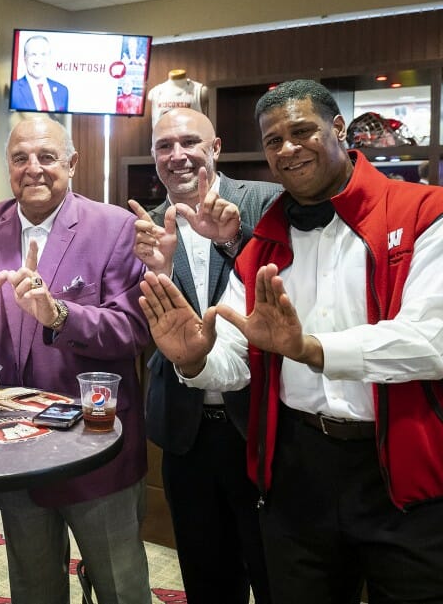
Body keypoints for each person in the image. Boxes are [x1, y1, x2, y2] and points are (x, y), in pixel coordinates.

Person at [139, 79, 443, 603]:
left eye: (301, 131)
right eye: (273, 140)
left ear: (339, 129)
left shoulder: (421, 212)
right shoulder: (266, 239)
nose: (287, 149)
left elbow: (431, 341)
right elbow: (239, 354)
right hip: (293, 464)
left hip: (398, 464)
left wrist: (312, 350)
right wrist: (195, 363)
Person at [0, 117, 151, 604]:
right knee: (33, 589)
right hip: (15, 449)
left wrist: (59, 314)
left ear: (72, 163)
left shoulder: (114, 226)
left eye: (47, 157)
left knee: (122, 588)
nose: (33, 168)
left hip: (96, 447)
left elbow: (133, 331)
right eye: (19, 159)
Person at [128, 108, 279, 604]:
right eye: (164, 147)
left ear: (215, 148)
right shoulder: (145, 228)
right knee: (205, 574)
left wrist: (235, 241)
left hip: (261, 427)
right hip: (185, 431)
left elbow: (285, 289)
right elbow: (151, 323)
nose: (177, 155)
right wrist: (160, 269)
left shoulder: (264, 202)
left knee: (274, 571)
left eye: (190, 142)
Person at [11, 35, 69, 112]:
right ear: (24, 58)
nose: (38, 60)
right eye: (33, 54)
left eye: (43, 54)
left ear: (49, 57)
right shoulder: (13, 90)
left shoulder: (62, 91)